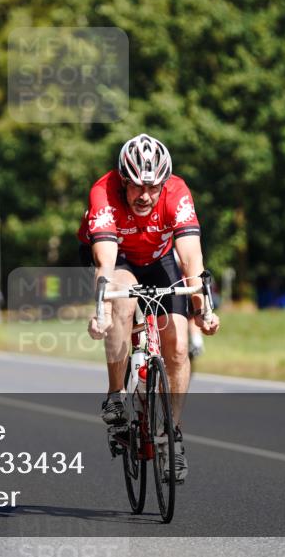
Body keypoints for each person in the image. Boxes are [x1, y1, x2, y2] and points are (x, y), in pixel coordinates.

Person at [80, 133, 220, 484]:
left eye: (153, 187)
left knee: (179, 345)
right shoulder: (104, 192)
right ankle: (116, 396)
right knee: (122, 302)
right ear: (123, 181)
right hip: (120, 258)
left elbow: (191, 255)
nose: (145, 195)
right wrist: (102, 310)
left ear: (164, 182)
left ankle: (173, 434)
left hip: (160, 261)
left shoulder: (178, 192)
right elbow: (106, 260)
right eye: (137, 187)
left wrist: (203, 308)